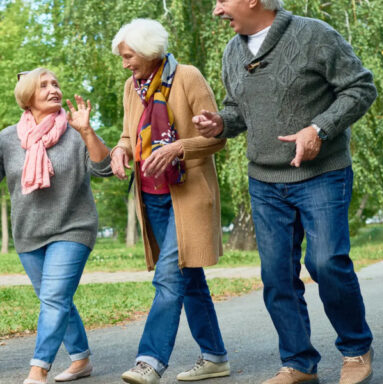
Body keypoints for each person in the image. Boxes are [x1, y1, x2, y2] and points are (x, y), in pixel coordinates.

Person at [194, 1, 377, 384]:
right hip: (265, 181)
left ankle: (357, 350)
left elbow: (360, 88)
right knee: (277, 275)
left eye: (222, 1)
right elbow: (237, 111)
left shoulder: (315, 35)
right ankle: (298, 363)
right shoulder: (233, 51)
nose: (216, 10)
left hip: (322, 174)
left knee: (326, 263)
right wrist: (219, 124)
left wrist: (319, 129)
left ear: (251, 1)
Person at [0, 68, 112, 384]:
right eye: (44, 85)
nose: (53, 89)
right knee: (56, 298)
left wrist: (88, 132)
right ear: (27, 96)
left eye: (56, 83)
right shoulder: (8, 138)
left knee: (54, 298)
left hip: (73, 227)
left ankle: (38, 369)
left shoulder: (76, 131)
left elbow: (103, 169)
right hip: (29, 234)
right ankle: (81, 360)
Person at [108, 19, 230, 384]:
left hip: (187, 196)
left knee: (168, 279)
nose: (125, 63)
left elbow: (218, 137)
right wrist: (120, 148)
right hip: (153, 198)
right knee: (189, 279)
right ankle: (215, 357)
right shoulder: (132, 87)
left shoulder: (188, 77)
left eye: (129, 56)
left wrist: (179, 146)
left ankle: (150, 361)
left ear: (148, 52)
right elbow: (130, 134)